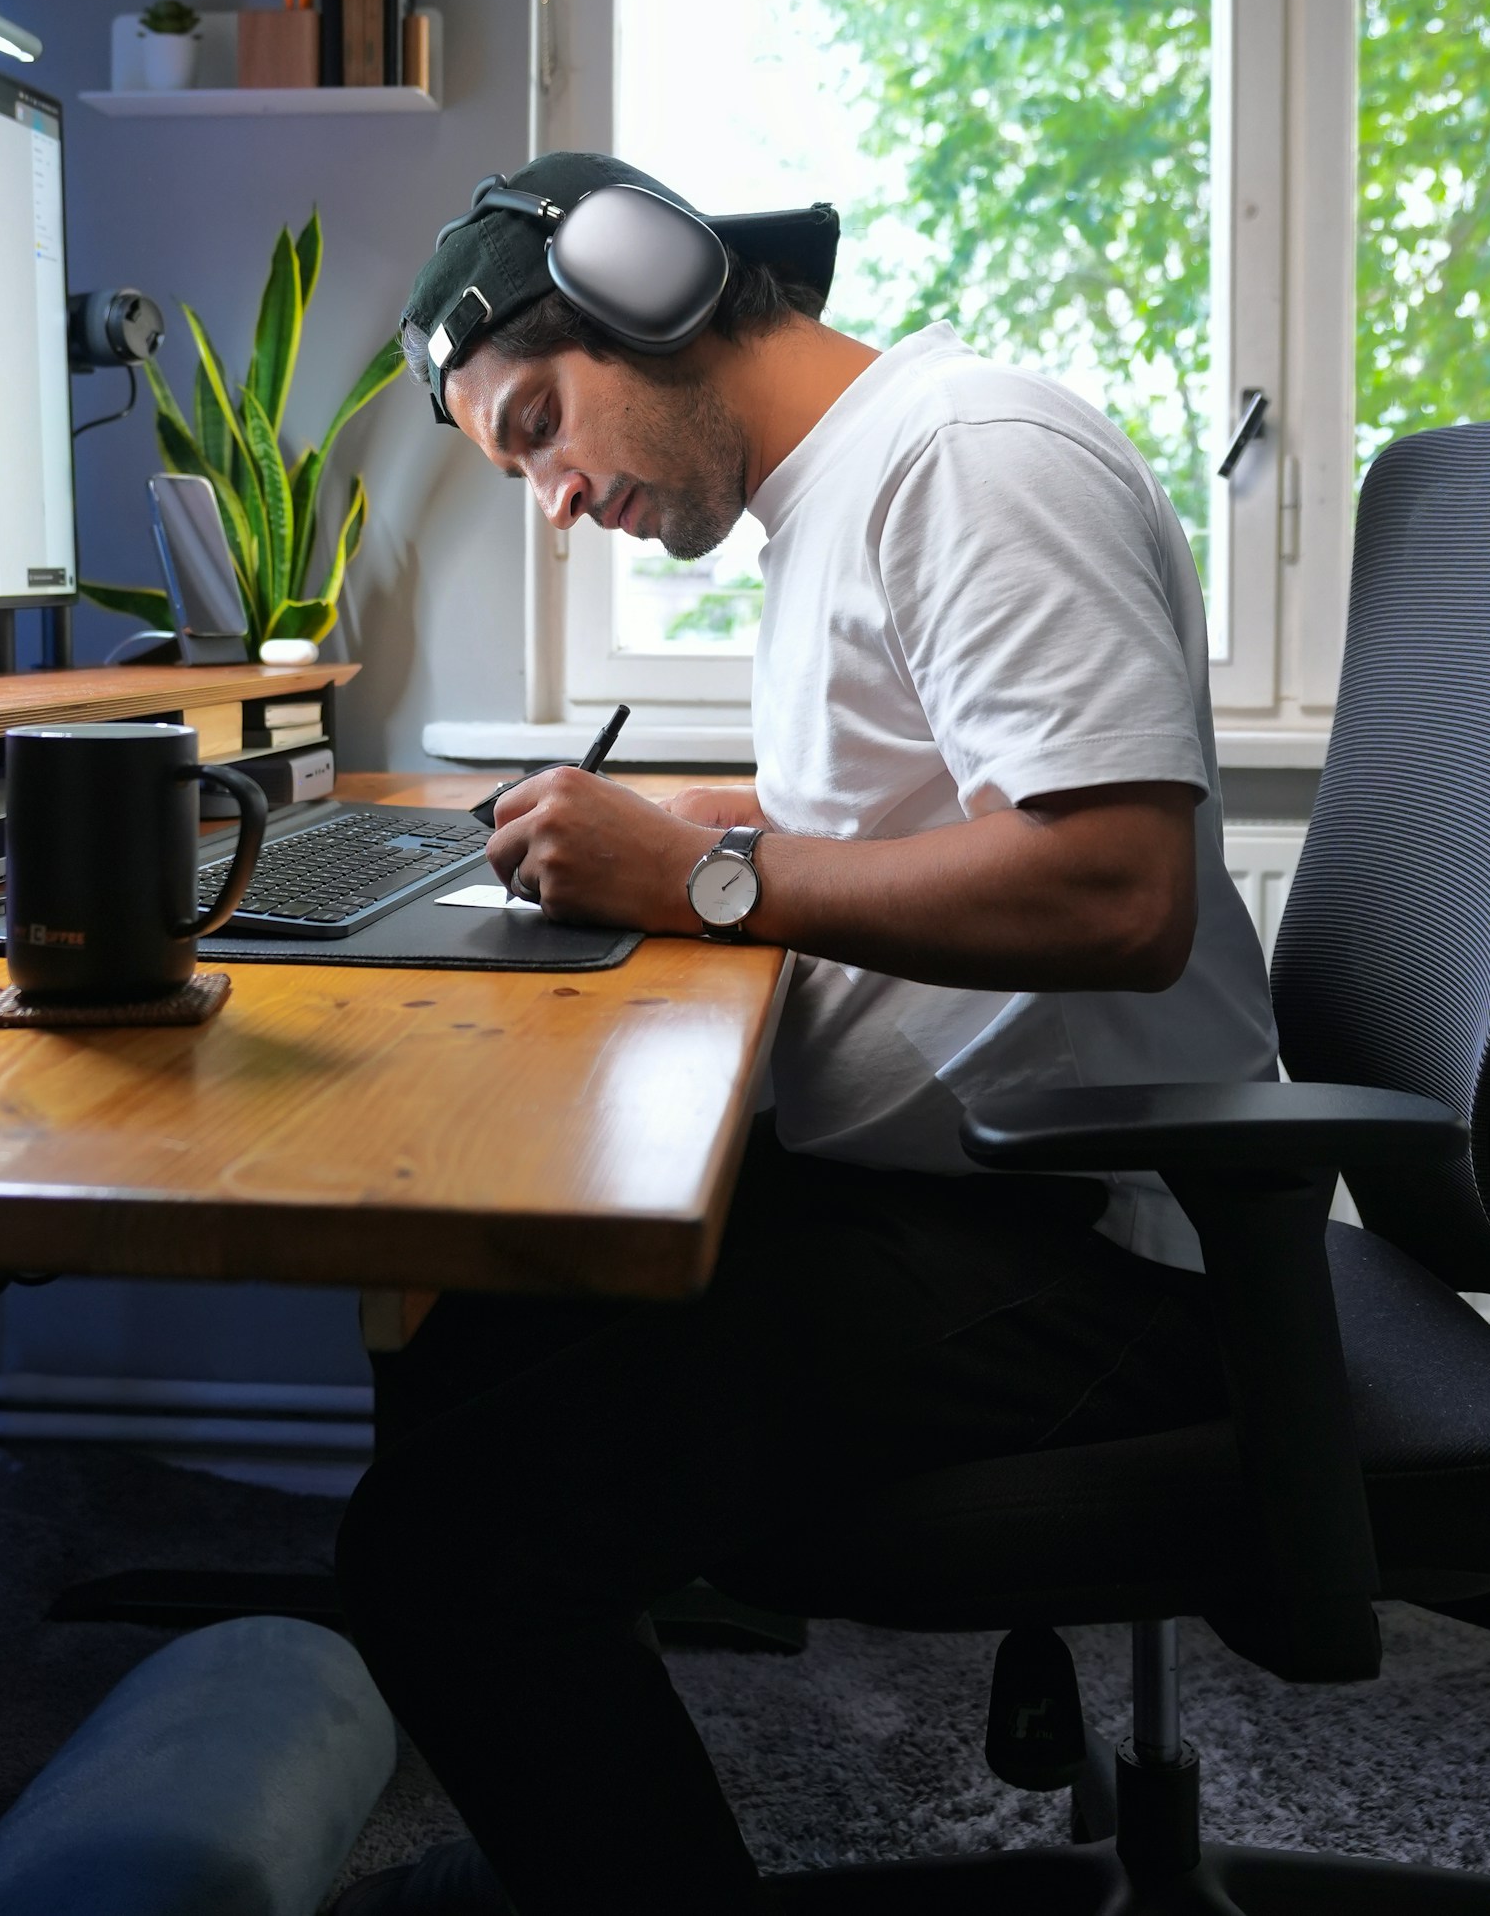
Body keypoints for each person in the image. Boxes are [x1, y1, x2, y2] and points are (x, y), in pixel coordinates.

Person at [334, 152, 1278, 1916]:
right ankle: (579, 1819)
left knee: (439, 1549)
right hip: (972, 1191)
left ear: (651, 293)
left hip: (1096, 1250)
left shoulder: (967, 459)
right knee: (470, 1338)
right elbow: (923, 788)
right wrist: (709, 814)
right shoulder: (844, 490)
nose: (552, 499)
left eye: (538, 425)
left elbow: (1118, 885)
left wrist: (705, 879)